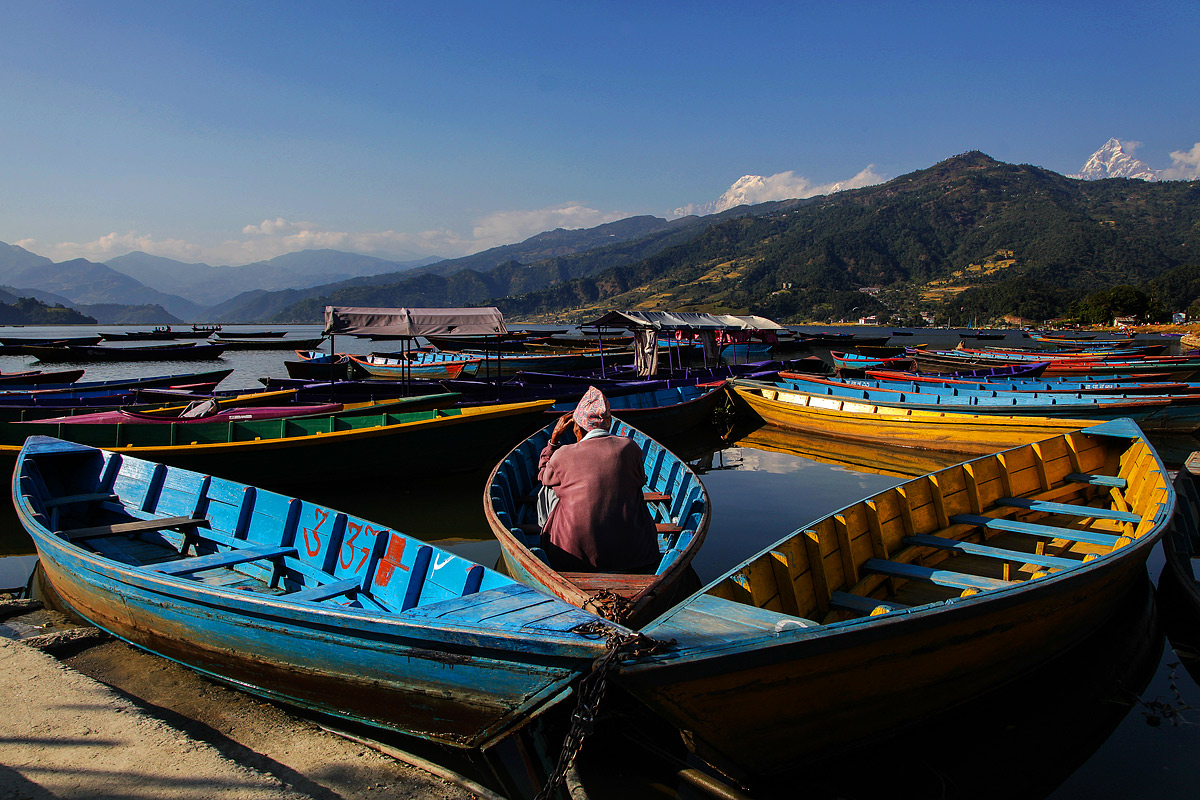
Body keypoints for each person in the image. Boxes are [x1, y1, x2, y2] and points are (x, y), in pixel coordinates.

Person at [535, 386, 660, 573]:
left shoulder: (563, 454)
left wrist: (553, 442)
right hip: (637, 553)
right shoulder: (630, 447)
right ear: (608, 424)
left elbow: (543, 476)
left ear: (578, 427)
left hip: (570, 557)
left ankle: (546, 540)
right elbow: (640, 480)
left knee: (546, 487)